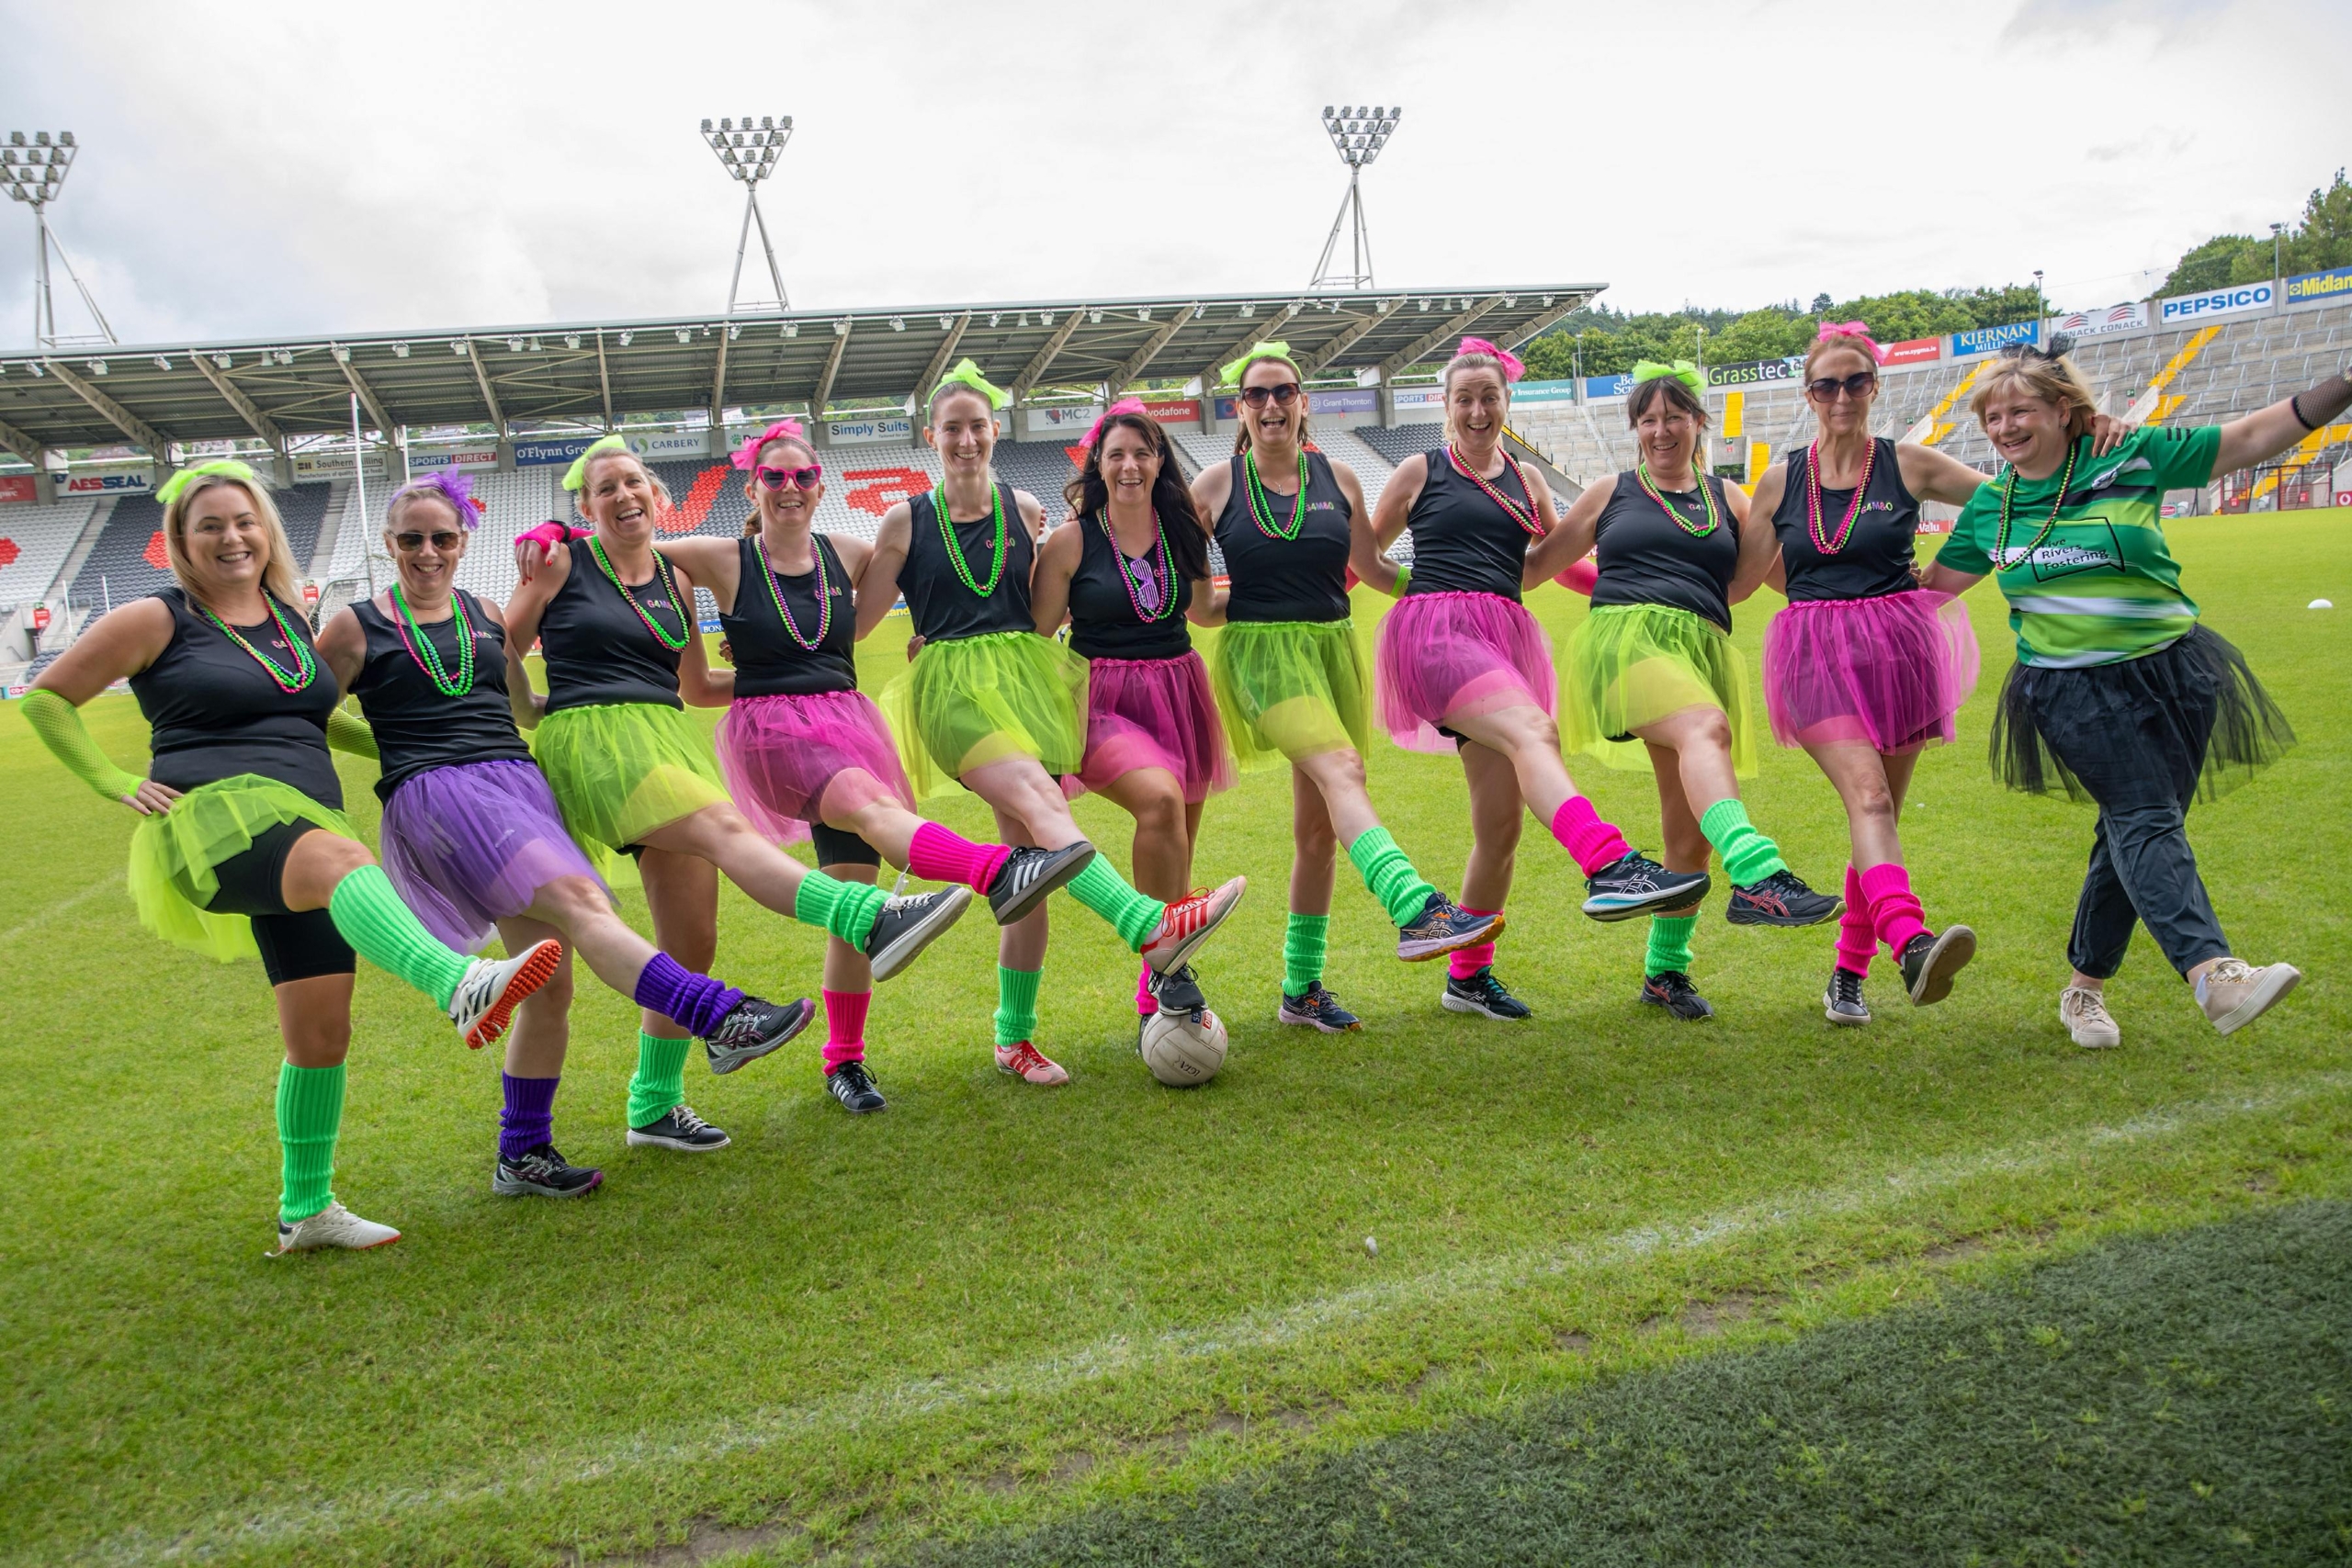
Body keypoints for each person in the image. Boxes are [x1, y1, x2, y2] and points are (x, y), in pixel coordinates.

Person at [22, 461, 560, 1253]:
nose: (231, 537)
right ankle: (459, 983)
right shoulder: (155, 617)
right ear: (181, 540)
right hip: (221, 823)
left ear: (267, 532)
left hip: (300, 819)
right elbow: (45, 698)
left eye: (244, 522)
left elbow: (313, 715)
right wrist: (114, 780)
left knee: (321, 1032)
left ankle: (305, 1208)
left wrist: (412, 743)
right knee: (342, 860)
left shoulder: (286, 618)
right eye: (210, 525)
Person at [317, 472, 813, 1194]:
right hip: (442, 796)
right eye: (413, 538)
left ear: (462, 543)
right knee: (583, 904)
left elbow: (525, 707)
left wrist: (601, 709)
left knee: (547, 983)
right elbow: (311, 714)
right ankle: (720, 1014)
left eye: (443, 537)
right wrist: (397, 750)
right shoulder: (354, 626)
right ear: (390, 543)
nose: (428, 551)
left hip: (515, 783)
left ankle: (522, 1152)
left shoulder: (485, 613)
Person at [502, 436, 970, 1149]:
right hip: (596, 741)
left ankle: (653, 1104)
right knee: (724, 828)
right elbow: (499, 638)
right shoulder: (566, 560)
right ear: (586, 507)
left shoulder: (674, 579)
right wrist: (529, 704)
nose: (624, 496)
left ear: (657, 496)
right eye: (606, 488)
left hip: (664, 734)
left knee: (692, 939)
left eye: (633, 483)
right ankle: (870, 917)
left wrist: (781, 669)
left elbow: (695, 683)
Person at [639, 419, 1091, 1113]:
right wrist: (759, 676)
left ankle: (844, 1061)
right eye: (773, 476)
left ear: (820, 487)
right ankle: (998, 870)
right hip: (778, 737)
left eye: (803, 475)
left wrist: (937, 636)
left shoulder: (849, 553)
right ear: (752, 488)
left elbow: (937, 574)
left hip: (849, 727)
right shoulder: (723, 558)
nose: (789, 487)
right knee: (867, 811)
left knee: (852, 897)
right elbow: (633, 552)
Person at [1920, 336, 2337, 1046]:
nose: (2005, 428)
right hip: (2067, 688)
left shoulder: (2130, 455)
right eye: (1992, 417)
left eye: (2020, 411)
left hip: (2175, 672)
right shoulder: (1992, 506)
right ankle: (2214, 975)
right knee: (2144, 816)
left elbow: (2250, 438)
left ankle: (2083, 990)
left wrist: (2345, 383)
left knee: (2134, 830)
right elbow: (1928, 591)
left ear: (2063, 410)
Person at [858, 362, 1246, 1086]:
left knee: (1028, 869)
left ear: (994, 430)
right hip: (953, 691)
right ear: (930, 436)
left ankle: (1013, 1037)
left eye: (977, 426)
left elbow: (1036, 614)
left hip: (1023, 690)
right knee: (1044, 811)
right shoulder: (904, 520)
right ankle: (1150, 928)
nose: (966, 439)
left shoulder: (1026, 509)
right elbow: (855, 619)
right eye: (952, 428)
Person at [1366, 338, 1709, 1021]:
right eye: (1464, 399)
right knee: (1533, 732)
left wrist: (1635, 588)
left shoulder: (1526, 478)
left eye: (1489, 397)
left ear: (1506, 401)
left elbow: (1555, 559)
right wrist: (1419, 591)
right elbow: (1364, 556)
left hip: (1503, 640)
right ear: (1446, 405)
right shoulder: (1419, 469)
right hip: (1436, 635)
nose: (1477, 411)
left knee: (1500, 826)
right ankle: (1608, 862)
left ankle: (1467, 979)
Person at [1188, 343, 1502, 1033]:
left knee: (1318, 830)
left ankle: (1300, 990)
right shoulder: (1212, 487)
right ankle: (1414, 905)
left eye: (1284, 392)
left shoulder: (1340, 478)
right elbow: (1198, 605)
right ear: (1241, 408)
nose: (1272, 405)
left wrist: (1449, 592)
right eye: (1257, 395)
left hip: (1332, 653)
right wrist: (1250, 605)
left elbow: (1373, 568)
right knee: (1343, 769)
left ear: (1303, 402)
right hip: (1262, 660)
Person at [1529, 361, 1841, 1023]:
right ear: (1636, 429)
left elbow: (1783, 575)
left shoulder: (1729, 497)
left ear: (1699, 422)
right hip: (1624, 644)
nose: (1661, 430)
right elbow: (1538, 566)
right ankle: (1757, 873)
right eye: (1648, 419)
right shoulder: (1611, 491)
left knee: (1690, 836)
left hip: (1699, 649)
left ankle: (1665, 972)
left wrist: (1871, 581)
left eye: (1674, 416)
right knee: (1705, 729)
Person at [1743, 322, 2001, 1024]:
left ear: (1874, 387)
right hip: (1814, 655)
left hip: (1900, 654)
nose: (1842, 396)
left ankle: (1847, 976)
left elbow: (2009, 498)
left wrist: (1943, 578)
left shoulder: (1908, 464)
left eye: (1855, 381)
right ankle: (1911, 941)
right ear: (1808, 394)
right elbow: (1740, 578)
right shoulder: (1780, 479)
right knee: (1869, 798)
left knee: (1877, 813)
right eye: (1827, 385)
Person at [1030, 399, 1238, 1028]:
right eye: (1117, 454)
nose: (1130, 466)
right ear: (1098, 463)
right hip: (1102, 700)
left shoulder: (1183, 528)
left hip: (1180, 691)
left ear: (1159, 461)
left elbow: (1204, 611)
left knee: (1180, 844)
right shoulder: (1071, 541)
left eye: (1142, 453)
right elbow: (1034, 636)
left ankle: (1157, 995)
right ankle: (1168, 970)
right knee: (1160, 802)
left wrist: (1288, 590)